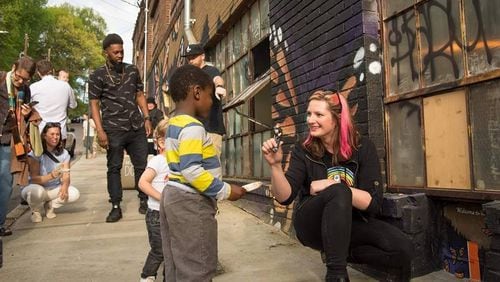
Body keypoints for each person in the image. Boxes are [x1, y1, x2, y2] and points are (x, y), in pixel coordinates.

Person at [261, 90, 413, 282]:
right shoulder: (303, 150)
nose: (310, 120)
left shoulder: (363, 147)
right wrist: (275, 166)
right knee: (338, 191)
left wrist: (327, 184)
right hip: (312, 224)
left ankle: (336, 253)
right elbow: (285, 197)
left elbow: (373, 203)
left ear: (337, 118)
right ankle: (336, 274)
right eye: (309, 114)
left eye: (319, 114)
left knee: (403, 249)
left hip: (350, 222)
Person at [160, 65, 246, 281]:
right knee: (198, 266)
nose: (212, 101)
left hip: (173, 196)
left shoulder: (173, 124)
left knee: (178, 263)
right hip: (191, 202)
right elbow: (192, 171)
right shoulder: (193, 128)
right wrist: (226, 191)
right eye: (210, 96)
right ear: (197, 93)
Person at [89, 33, 152, 222]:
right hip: (113, 128)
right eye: (115, 52)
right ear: (106, 53)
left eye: (122, 51)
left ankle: (144, 200)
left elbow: (140, 94)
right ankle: (116, 206)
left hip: (135, 126)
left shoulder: (132, 70)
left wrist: (147, 118)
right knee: (114, 167)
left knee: (142, 165)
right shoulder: (97, 75)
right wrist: (100, 131)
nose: (119, 55)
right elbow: (94, 104)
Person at [0, 56, 36, 236]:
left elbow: (26, 119)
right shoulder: (0, 79)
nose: (20, 81)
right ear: (13, 68)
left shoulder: (26, 91)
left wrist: (27, 114)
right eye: (18, 77)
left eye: (25, 79)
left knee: (5, 182)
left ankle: (0, 223)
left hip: (9, 139)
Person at [21, 122, 80, 222]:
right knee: (35, 192)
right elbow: (34, 179)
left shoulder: (64, 153)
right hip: (36, 188)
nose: (55, 137)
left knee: (74, 194)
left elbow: (66, 174)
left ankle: (50, 205)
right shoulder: (36, 153)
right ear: (44, 135)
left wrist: (65, 186)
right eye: (52, 134)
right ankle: (35, 211)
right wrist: (52, 175)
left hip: (53, 188)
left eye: (57, 134)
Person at [138, 119, 169, 282]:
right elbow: (143, 183)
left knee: (171, 251)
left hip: (173, 214)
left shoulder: (179, 162)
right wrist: (162, 198)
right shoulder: (158, 161)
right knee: (159, 250)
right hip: (156, 215)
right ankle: (147, 276)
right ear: (162, 142)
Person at [182, 43, 226, 157]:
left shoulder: (210, 71)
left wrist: (220, 87)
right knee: (194, 166)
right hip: (194, 129)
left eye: (193, 57)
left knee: (212, 165)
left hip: (211, 128)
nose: (190, 60)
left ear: (202, 56)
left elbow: (217, 78)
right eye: (188, 58)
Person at [30, 59, 77, 143]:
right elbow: (73, 105)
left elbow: (28, 107)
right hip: (60, 134)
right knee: (59, 156)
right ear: (53, 71)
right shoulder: (66, 86)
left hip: (40, 133)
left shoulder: (33, 87)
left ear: (38, 73)